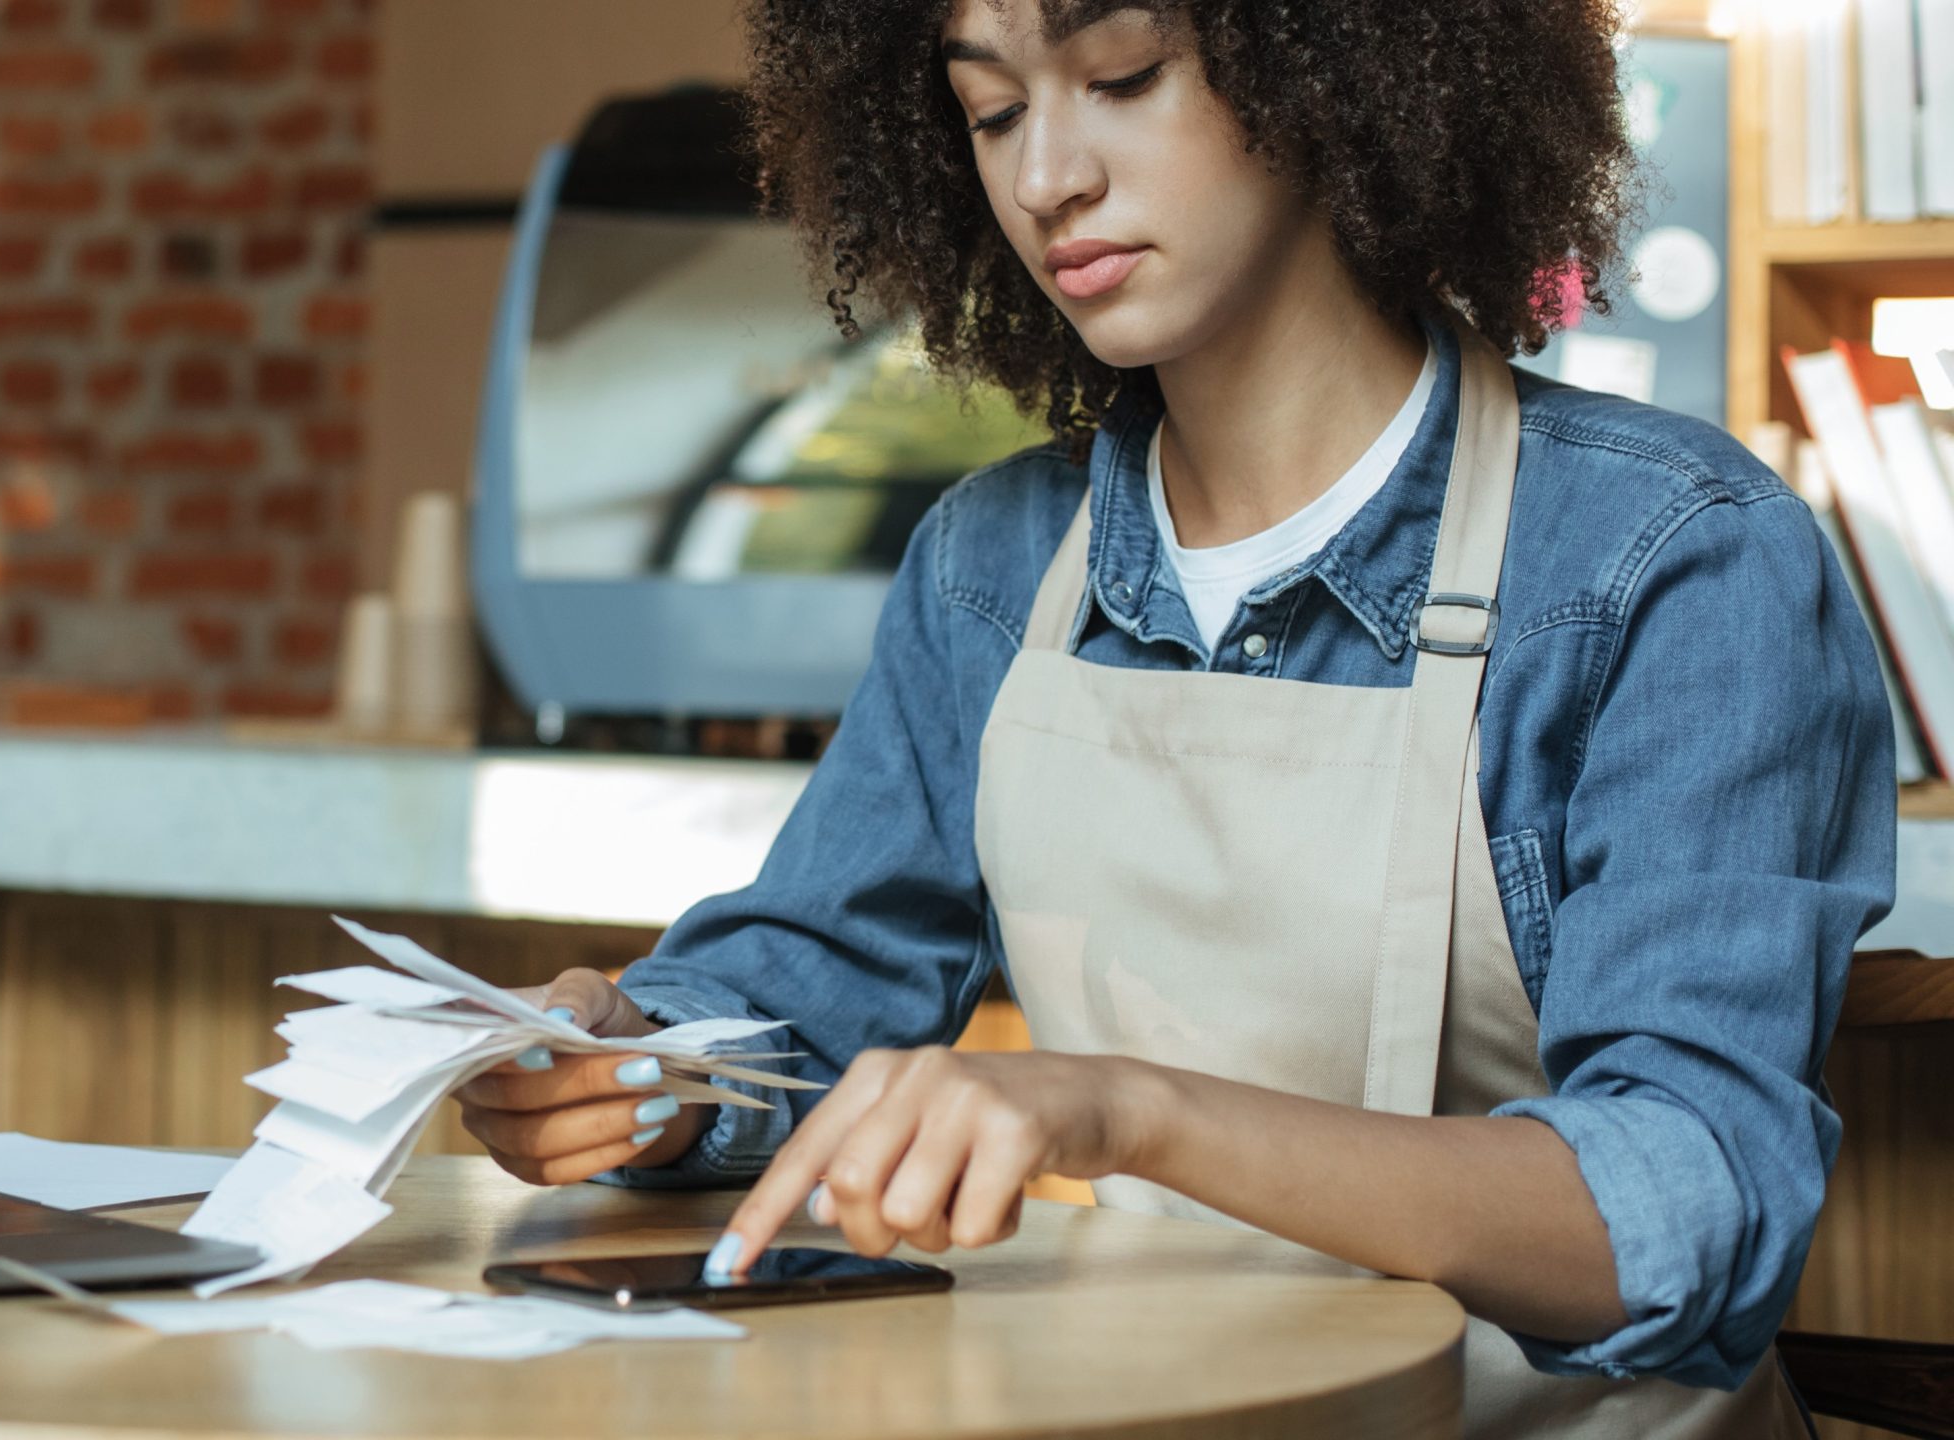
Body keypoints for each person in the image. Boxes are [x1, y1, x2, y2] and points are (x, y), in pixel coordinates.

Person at [454, 2, 1896, 1433]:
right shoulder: (992, 569)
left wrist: (1128, 1111)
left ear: (1338, 66)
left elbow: (1688, 1203)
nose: (1044, 181)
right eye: (994, 111)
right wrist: (646, 1066)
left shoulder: (1673, 557)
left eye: (1124, 77)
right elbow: (805, 990)